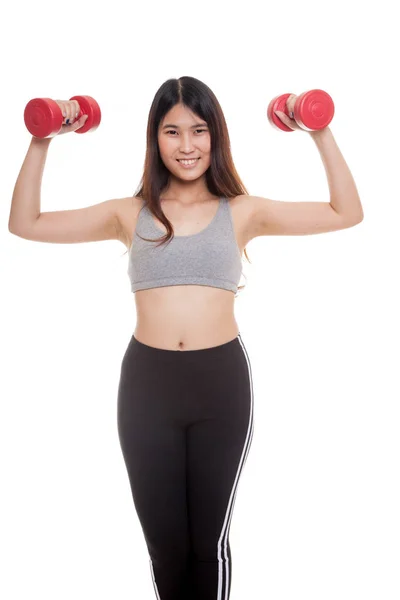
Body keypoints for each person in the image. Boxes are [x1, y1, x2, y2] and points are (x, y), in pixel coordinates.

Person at [8, 76, 363, 600]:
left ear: (216, 136)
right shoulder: (129, 214)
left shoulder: (243, 211)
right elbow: (25, 222)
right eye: (172, 132)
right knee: (165, 547)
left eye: (199, 131)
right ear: (155, 139)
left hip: (218, 383)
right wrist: (44, 137)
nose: (187, 145)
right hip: (148, 387)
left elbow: (346, 212)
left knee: (207, 546)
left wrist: (318, 129)